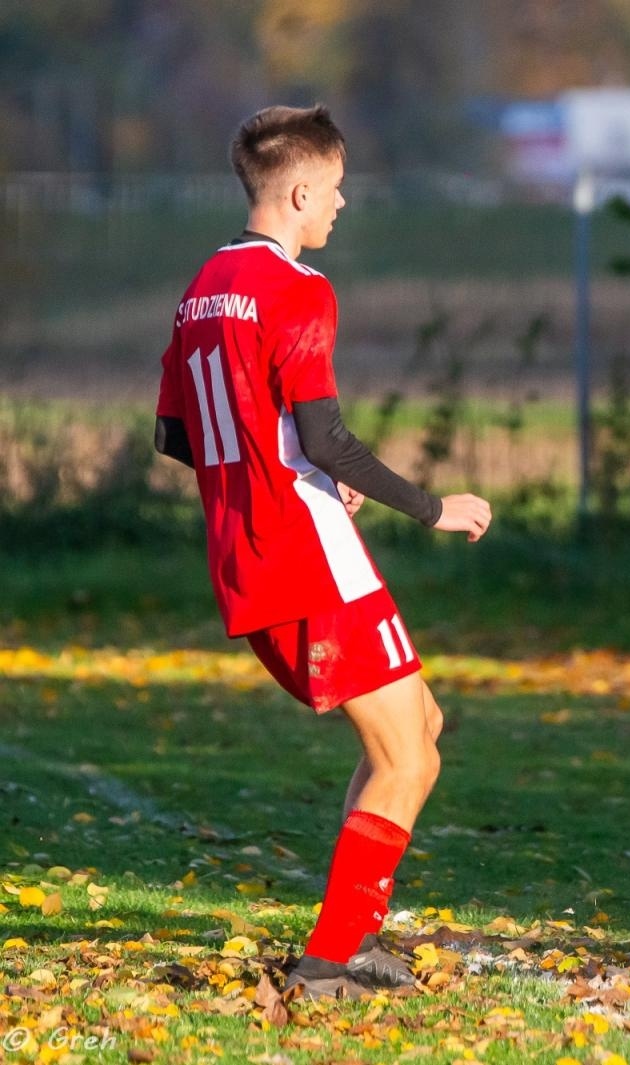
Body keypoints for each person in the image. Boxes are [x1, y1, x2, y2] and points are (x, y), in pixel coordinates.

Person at [154, 105, 492, 998]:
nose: (341, 206)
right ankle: (329, 961)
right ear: (300, 190)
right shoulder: (299, 288)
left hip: (251, 552)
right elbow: (329, 437)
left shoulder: (203, 285)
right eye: (336, 190)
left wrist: (280, 465)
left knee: (418, 729)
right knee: (407, 759)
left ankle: (354, 936)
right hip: (306, 556)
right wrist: (431, 506)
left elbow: (176, 435)